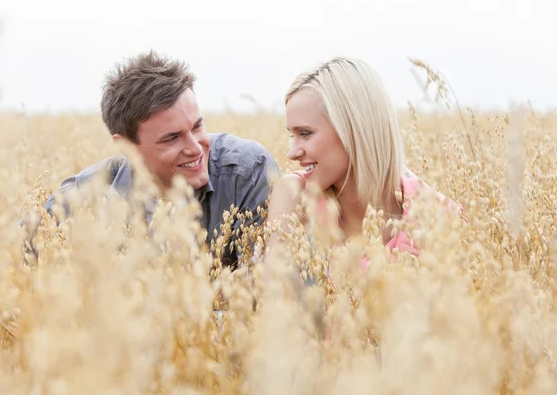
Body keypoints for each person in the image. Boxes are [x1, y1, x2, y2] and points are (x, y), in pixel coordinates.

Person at [33, 50, 280, 268]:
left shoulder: (246, 172)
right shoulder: (86, 195)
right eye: (172, 138)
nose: (196, 148)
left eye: (197, 127)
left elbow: (263, 299)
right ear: (127, 148)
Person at [266, 56, 463, 274]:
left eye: (305, 134)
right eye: (292, 136)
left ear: (352, 129)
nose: (292, 153)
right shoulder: (295, 199)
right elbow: (276, 301)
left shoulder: (439, 219)